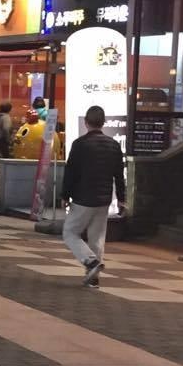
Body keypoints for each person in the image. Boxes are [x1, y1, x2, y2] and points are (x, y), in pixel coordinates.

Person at [61, 104, 126, 287]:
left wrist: (65, 195)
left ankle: (90, 262)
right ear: (103, 122)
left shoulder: (80, 144)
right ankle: (93, 279)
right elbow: (119, 175)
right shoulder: (113, 145)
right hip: (104, 199)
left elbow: (71, 172)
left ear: (86, 122)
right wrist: (122, 199)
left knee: (70, 232)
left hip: (83, 196)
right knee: (96, 238)